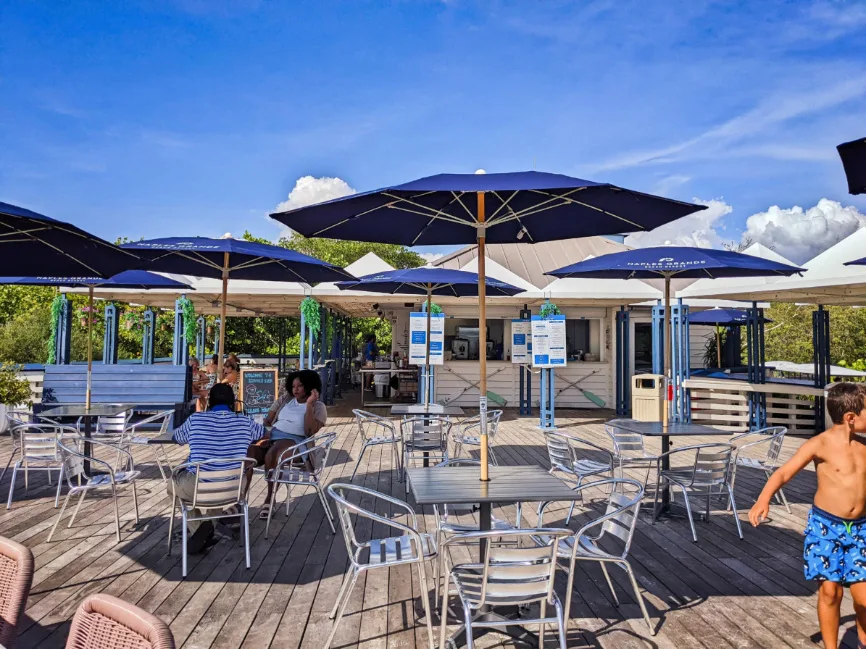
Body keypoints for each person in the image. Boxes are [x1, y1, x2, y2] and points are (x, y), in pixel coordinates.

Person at [749, 382, 866, 649]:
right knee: (830, 591)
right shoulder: (819, 444)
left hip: (862, 529)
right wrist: (763, 499)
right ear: (851, 418)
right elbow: (783, 472)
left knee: (863, 598)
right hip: (826, 526)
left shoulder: (864, 447)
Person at [169, 383, 265, 552]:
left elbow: (176, 437)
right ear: (233, 403)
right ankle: (206, 528)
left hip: (198, 485)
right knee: (221, 480)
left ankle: (198, 530)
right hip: (233, 487)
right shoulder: (244, 421)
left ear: (209, 402)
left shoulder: (196, 419)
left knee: (172, 486)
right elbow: (264, 432)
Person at [247, 369, 327, 520]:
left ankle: (270, 499)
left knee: (274, 453)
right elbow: (268, 420)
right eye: (293, 385)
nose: (295, 389)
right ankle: (240, 500)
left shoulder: (318, 406)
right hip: (273, 435)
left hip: (297, 442)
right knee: (249, 451)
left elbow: (310, 431)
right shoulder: (284, 400)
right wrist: (265, 433)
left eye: (300, 386)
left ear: (310, 386)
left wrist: (309, 404)